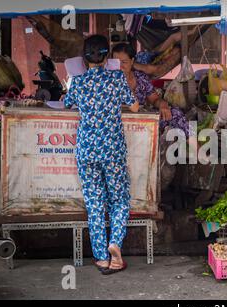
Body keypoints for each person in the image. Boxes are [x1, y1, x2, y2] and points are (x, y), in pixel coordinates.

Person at [64, 35, 139, 275]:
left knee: (95, 204)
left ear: (84, 60)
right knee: (119, 199)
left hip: (87, 150)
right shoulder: (117, 78)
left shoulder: (77, 81)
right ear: (107, 57)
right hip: (113, 150)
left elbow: (66, 104)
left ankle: (101, 258)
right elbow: (135, 106)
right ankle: (115, 243)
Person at [112, 42, 192, 135]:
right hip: (117, 120)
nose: (120, 66)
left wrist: (162, 104)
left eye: (124, 62)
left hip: (141, 119)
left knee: (174, 113)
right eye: (116, 62)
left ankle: (195, 147)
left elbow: (154, 99)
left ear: (132, 61)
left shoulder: (140, 77)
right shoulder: (107, 81)